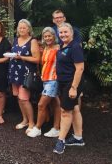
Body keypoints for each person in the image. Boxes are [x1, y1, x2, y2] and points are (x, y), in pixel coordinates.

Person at [53, 23, 86, 154]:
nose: (63, 35)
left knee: (65, 111)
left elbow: (80, 68)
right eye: (61, 33)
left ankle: (61, 141)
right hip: (64, 83)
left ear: (72, 33)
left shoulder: (75, 47)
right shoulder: (62, 46)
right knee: (75, 109)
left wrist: (74, 88)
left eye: (66, 32)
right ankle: (78, 138)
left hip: (71, 83)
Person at [28, 27, 61, 138]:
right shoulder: (45, 48)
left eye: (49, 36)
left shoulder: (58, 48)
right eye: (45, 36)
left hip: (53, 80)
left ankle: (37, 128)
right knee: (55, 104)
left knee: (41, 104)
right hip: (45, 79)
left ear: (54, 36)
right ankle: (56, 128)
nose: (47, 38)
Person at [9, 19, 41, 133]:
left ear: (29, 29)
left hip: (26, 73)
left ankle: (32, 122)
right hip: (14, 71)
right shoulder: (16, 39)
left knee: (24, 99)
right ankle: (24, 120)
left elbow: (37, 59)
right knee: (19, 97)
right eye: (20, 28)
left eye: (24, 28)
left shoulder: (32, 41)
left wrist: (21, 57)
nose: (21, 29)